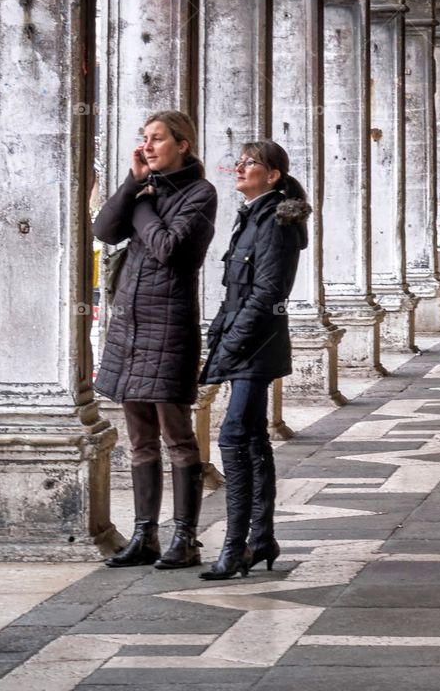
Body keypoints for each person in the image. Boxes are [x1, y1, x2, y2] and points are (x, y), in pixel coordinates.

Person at [94, 111, 218, 569]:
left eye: (157, 139)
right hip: (130, 329)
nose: (148, 145)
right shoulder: (145, 187)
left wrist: (143, 204)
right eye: (144, 139)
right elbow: (103, 230)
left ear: (182, 144)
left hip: (168, 327)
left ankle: (184, 538)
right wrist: (132, 182)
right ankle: (145, 535)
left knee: (177, 436)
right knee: (140, 438)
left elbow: (167, 249)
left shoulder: (200, 194)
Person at [198, 140, 310, 579]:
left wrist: (230, 345)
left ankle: (234, 546)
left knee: (232, 436)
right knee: (251, 438)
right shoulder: (252, 218)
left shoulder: (276, 223)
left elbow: (267, 294)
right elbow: (234, 292)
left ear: (272, 175)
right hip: (245, 344)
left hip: (256, 347)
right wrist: (216, 336)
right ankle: (261, 538)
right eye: (240, 162)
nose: (239, 168)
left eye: (250, 164)